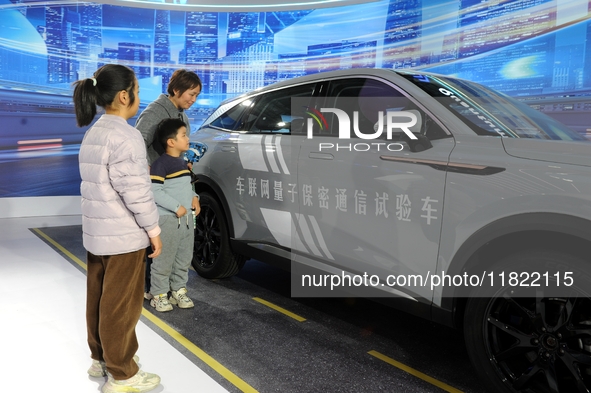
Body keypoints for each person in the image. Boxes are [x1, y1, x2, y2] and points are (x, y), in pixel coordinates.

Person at [73, 64, 163, 393]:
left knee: (98, 299)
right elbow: (136, 192)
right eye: (137, 90)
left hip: (97, 235)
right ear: (124, 96)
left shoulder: (94, 132)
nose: (139, 96)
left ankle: (100, 359)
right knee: (121, 306)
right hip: (123, 237)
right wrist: (153, 230)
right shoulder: (126, 135)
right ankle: (122, 372)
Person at [135, 69, 202, 299]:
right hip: (157, 184)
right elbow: (138, 141)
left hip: (175, 185)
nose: (193, 100)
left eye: (196, 96)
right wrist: (147, 171)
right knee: (156, 242)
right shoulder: (155, 110)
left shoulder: (181, 115)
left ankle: (173, 288)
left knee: (177, 246)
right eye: (190, 94)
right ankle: (151, 288)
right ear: (176, 90)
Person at [149, 118, 201, 312]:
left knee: (183, 258)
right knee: (164, 260)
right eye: (184, 135)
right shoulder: (160, 164)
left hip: (187, 220)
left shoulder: (183, 163)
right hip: (169, 220)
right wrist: (177, 206)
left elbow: (187, 186)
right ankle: (159, 295)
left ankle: (178, 290)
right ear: (171, 142)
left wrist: (194, 197)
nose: (187, 138)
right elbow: (155, 191)